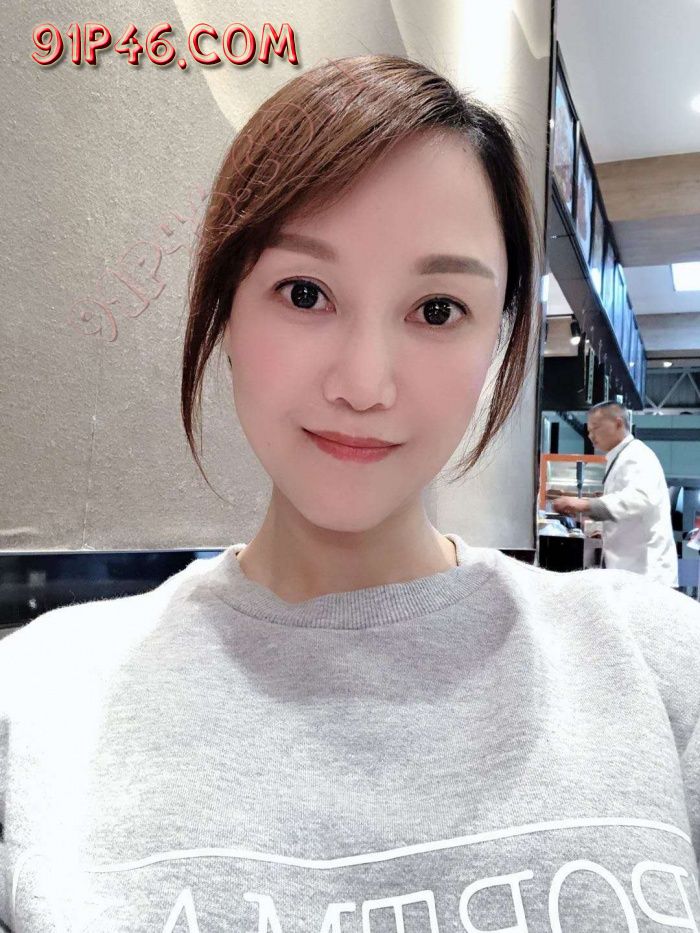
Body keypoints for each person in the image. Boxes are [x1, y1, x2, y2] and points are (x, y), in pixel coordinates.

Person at [2, 54, 700, 932]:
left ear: (498, 339)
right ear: (225, 312)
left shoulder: (660, 661)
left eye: (437, 309)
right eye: (305, 293)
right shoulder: (43, 691)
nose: (365, 384)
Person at [552, 401, 678, 587]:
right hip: (631, 569)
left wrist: (585, 505)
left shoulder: (637, 455)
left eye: (596, 428)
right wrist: (599, 527)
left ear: (618, 423)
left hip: (646, 572)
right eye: (589, 430)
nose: (591, 435)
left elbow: (640, 499)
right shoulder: (621, 457)